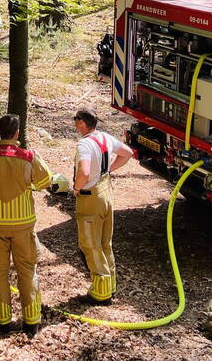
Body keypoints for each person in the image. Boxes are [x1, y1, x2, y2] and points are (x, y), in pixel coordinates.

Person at [0, 114, 54, 335]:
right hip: (23, 226)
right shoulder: (27, 157)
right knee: (27, 271)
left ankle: (2, 320)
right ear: (16, 134)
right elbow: (46, 181)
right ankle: (32, 321)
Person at [71, 107, 132, 305]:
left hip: (91, 199)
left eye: (76, 121)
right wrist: (108, 170)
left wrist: (77, 188)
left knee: (91, 245)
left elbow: (85, 171)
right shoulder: (105, 137)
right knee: (106, 243)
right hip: (107, 193)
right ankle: (111, 286)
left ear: (82, 123)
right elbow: (128, 153)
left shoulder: (85, 145)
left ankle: (100, 293)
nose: (75, 125)